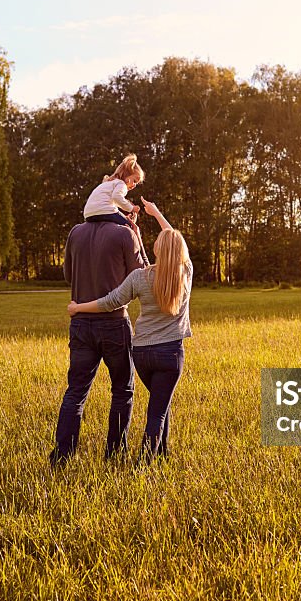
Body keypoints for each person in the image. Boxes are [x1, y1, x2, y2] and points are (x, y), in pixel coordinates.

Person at [68, 199, 192, 464]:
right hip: (170, 353)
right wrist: (157, 212)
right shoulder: (185, 273)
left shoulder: (141, 278)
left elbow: (110, 301)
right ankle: (143, 466)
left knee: (161, 403)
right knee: (157, 412)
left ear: (157, 249)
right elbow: (174, 245)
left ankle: (162, 455)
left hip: (143, 354)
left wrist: (79, 307)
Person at [50, 188, 146, 467]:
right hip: (114, 323)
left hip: (80, 323)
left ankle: (62, 457)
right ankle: (114, 454)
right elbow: (139, 275)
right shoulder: (124, 234)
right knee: (122, 390)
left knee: (75, 391)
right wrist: (136, 234)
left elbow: (68, 274)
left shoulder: (75, 232)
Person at [83, 154, 150, 264]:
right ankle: (138, 260)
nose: (134, 185)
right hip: (104, 211)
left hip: (89, 214)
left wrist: (123, 214)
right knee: (129, 227)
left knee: (121, 216)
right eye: (134, 180)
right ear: (127, 176)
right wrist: (131, 209)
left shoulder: (109, 184)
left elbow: (113, 202)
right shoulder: (121, 184)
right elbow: (117, 197)